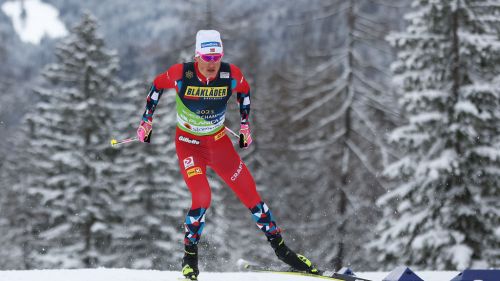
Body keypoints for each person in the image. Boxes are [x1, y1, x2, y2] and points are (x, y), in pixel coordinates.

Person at [136, 30, 319, 280]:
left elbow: (244, 91)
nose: (212, 64)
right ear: (197, 55)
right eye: (206, 57)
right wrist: (147, 120)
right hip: (189, 145)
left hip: (219, 144)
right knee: (202, 197)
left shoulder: (230, 74)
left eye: (217, 57)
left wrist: (245, 125)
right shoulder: (182, 73)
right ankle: (189, 260)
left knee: (251, 194)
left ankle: (283, 252)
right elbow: (157, 86)